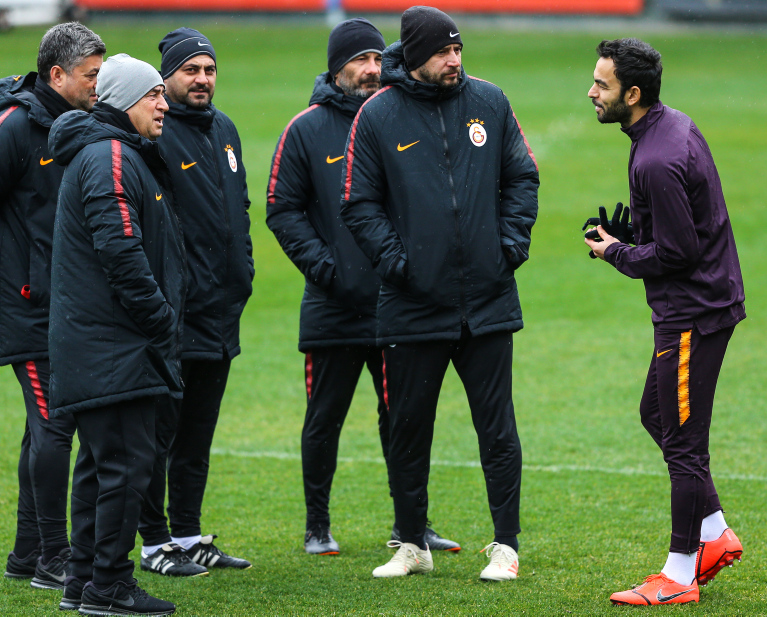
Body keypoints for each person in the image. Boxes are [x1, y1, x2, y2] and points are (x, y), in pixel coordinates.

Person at [341, 6, 539, 580]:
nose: (454, 60)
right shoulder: (378, 114)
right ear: (414, 56)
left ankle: (506, 546)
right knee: (407, 429)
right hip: (411, 302)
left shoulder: (490, 102)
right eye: (442, 52)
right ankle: (412, 544)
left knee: (497, 429)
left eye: (458, 49)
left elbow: (522, 176)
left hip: (487, 300)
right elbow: (358, 202)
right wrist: (398, 264)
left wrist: (509, 246)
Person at [267, 18, 460, 556]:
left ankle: (411, 525)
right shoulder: (305, 129)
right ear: (336, 68)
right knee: (324, 418)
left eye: (377, 59)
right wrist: (328, 270)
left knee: (404, 418)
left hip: (398, 302)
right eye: (360, 60)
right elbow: (282, 210)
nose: (372, 69)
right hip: (333, 305)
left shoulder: (400, 116)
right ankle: (317, 526)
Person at [584, 38, 745, 606]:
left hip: (691, 315)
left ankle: (678, 577)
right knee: (656, 415)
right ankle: (715, 533)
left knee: (683, 444)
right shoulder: (672, 125)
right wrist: (635, 236)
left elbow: (677, 253)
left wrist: (616, 252)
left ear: (632, 94)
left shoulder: (655, 158)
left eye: (601, 84)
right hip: (705, 302)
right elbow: (686, 229)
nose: (591, 92)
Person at [48, 53, 185, 615]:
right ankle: (109, 585)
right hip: (114, 345)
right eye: (154, 94)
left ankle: (83, 581)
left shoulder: (111, 152)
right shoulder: (109, 156)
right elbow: (121, 251)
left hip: (100, 344)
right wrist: (161, 320)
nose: (164, 103)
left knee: (99, 468)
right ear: (126, 100)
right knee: (127, 467)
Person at [137, 27, 253, 578]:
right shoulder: (154, 133)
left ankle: (187, 533)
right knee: (159, 435)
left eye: (209, 69)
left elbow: (240, 209)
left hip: (220, 312)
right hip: (176, 315)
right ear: (167, 78)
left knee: (198, 434)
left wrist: (243, 273)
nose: (202, 79)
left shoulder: (224, 128)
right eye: (190, 70)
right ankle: (154, 543)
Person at [0, 22, 105, 589]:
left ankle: (26, 552)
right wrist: (21, 283)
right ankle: (52, 555)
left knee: (44, 428)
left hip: (64, 306)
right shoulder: (16, 128)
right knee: (55, 424)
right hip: (27, 306)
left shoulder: (81, 125)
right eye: (90, 75)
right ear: (57, 74)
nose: (97, 85)